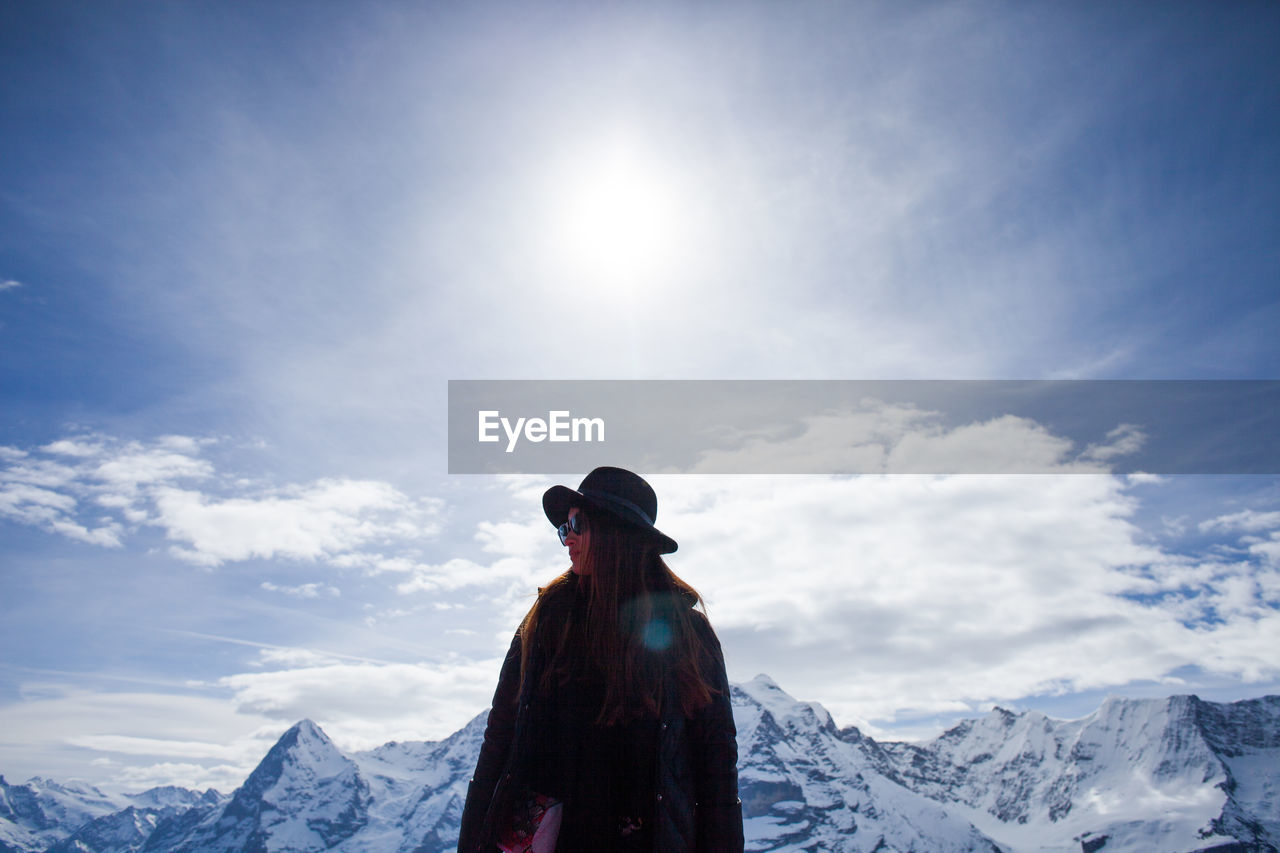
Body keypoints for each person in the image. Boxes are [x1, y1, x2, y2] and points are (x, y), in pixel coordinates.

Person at [457, 467, 743, 853]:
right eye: (563, 528)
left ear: (616, 531)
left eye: (576, 523)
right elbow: (499, 740)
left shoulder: (687, 634)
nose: (566, 539)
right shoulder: (544, 623)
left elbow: (717, 768)